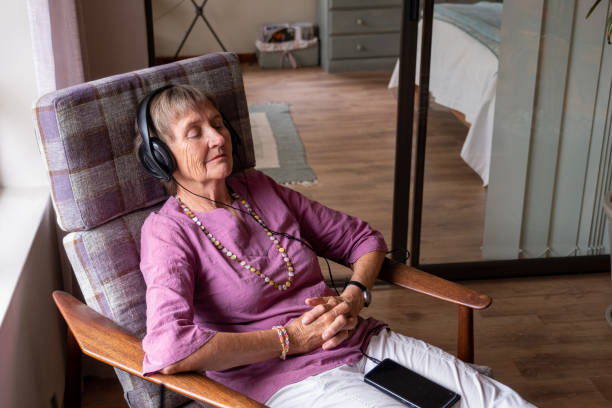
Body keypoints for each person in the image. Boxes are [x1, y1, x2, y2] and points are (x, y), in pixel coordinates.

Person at [137, 84, 535, 407]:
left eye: (218, 124)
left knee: (503, 403)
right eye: (195, 132)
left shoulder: (258, 188)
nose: (217, 137)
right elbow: (169, 348)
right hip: (289, 380)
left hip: (363, 341)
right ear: (160, 155)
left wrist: (354, 296)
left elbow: (363, 239)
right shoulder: (167, 233)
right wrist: (292, 339)